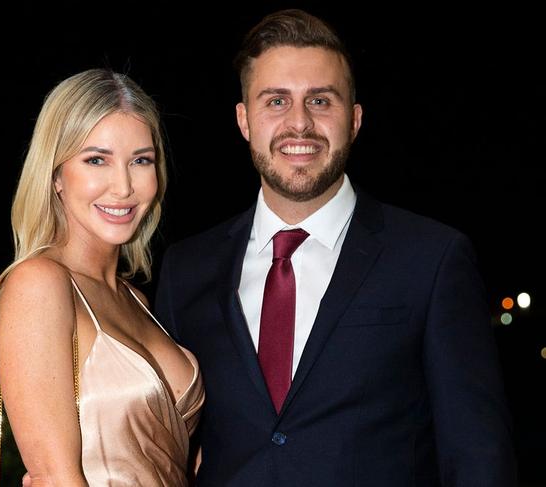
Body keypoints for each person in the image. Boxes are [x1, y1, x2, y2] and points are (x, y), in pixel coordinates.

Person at [154, 9, 516, 486]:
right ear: (244, 120)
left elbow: (477, 457)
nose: (299, 123)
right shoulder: (187, 270)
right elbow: (165, 445)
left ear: (355, 118)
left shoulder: (432, 259)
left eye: (321, 101)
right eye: (276, 101)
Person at [0, 68, 204, 486]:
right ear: (55, 176)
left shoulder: (139, 301)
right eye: (96, 160)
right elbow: (55, 476)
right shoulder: (39, 284)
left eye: (141, 160)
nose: (123, 186)